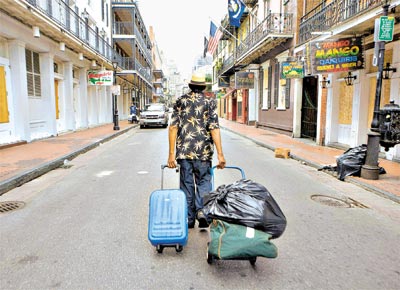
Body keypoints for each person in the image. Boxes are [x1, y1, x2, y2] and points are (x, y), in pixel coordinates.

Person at [167, 72, 226, 229]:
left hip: (184, 152)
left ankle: (189, 219)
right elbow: (214, 128)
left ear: (190, 86)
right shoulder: (210, 102)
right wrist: (220, 154)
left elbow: (173, 127)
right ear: (203, 87)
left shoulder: (180, 101)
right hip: (204, 152)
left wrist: (171, 154)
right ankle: (201, 211)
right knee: (204, 182)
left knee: (186, 185)